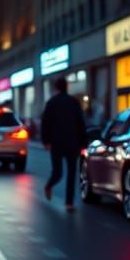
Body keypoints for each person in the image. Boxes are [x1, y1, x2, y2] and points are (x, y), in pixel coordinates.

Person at [40, 76, 87, 211]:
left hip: (56, 143)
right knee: (72, 173)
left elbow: (45, 123)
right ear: (67, 87)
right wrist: (83, 142)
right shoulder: (74, 102)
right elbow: (80, 123)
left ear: (56, 87)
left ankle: (49, 185)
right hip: (73, 143)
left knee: (58, 172)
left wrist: (46, 141)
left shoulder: (51, 103)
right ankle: (69, 203)